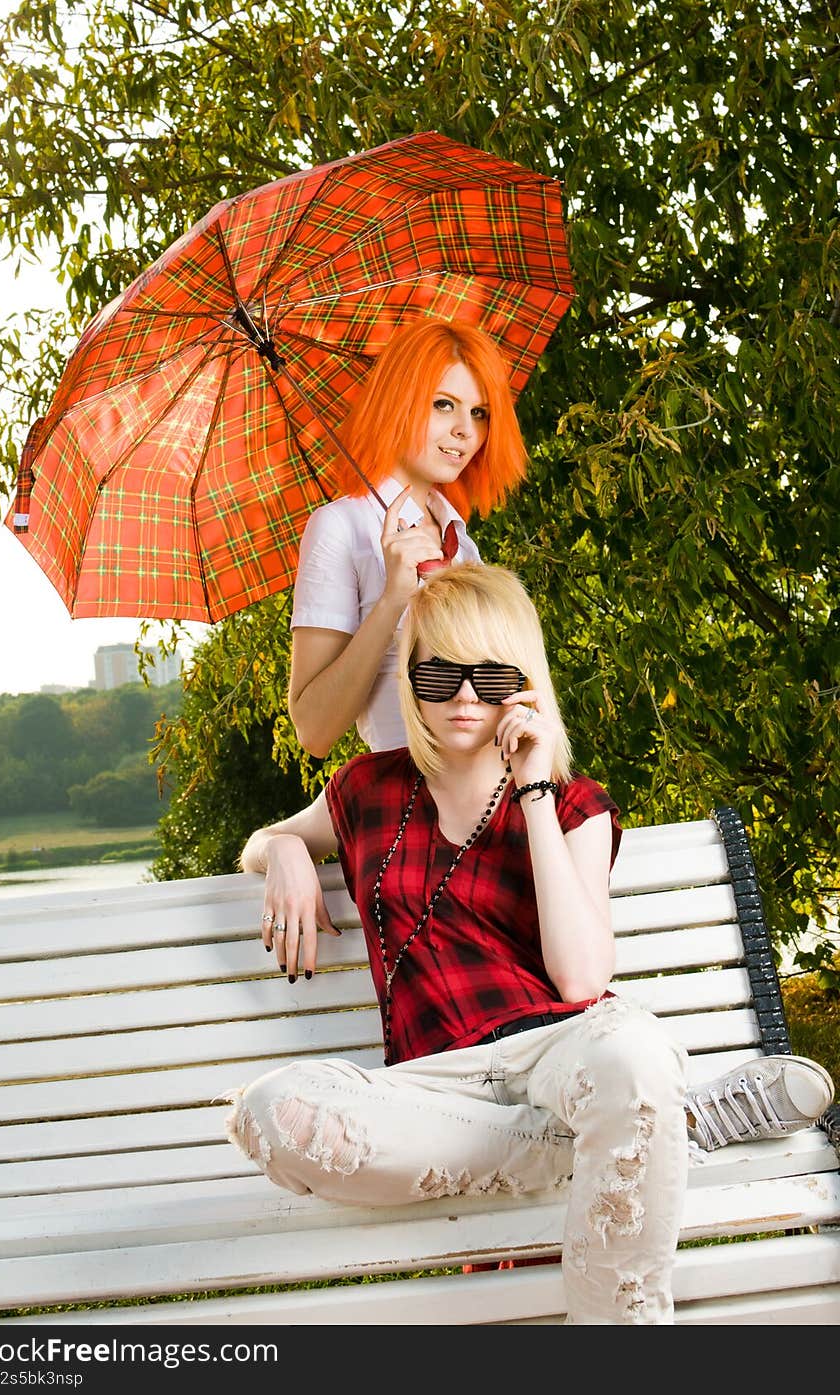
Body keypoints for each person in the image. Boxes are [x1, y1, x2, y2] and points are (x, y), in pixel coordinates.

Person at [225, 562, 835, 1324]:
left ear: (524, 681)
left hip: (564, 1048)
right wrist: (282, 848)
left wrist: (534, 787)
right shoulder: (367, 789)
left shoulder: (574, 804)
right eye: (439, 673)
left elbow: (581, 980)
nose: (464, 697)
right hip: (437, 1085)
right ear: (412, 678)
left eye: (489, 675)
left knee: (632, 1058)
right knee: (275, 1113)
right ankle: (668, 1126)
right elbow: (265, 840)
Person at [288, 316, 526, 757]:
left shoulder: (463, 545)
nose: (465, 431)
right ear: (398, 402)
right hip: (405, 802)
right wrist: (392, 599)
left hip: (490, 791)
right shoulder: (342, 527)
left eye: (479, 413)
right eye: (443, 404)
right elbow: (314, 732)